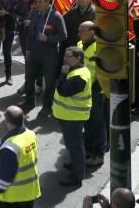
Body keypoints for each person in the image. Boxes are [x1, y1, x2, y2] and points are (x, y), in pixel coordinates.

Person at [18, 0, 67, 115]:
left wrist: (48, 39)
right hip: (34, 52)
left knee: (49, 81)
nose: (37, 4)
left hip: (49, 54)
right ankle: (29, 102)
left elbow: (63, 36)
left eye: (40, 2)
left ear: (48, 2)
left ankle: (47, 106)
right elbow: (30, 34)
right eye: (36, 1)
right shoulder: (34, 14)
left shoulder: (56, 16)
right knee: (29, 78)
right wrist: (28, 49)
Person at [53, 46, 92, 188]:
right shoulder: (75, 70)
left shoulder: (78, 77)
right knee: (71, 144)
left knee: (75, 146)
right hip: (68, 116)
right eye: (65, 56)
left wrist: (62, 75)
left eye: (69, 56)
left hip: (73, 117)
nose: (65, 59)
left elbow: (62, 90)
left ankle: (77, 177)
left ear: (78, 58)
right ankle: (76, 164)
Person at [0, 106, 41, 207]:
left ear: (7, 122)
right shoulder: (31, 135)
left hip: (12, 199)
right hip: (29, 193)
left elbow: (2, 181)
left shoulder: (9, 148)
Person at [78, 21, 107, 167]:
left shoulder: (99, 48)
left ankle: (98, 155)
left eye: (81, 31)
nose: (79, 34)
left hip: (95, 91)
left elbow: (104, 72)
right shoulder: (79, 45)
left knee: (97, 125)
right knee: (88, 124)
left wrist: (94, 89)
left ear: (92, 32)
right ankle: (88, 151)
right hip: (83, 92)